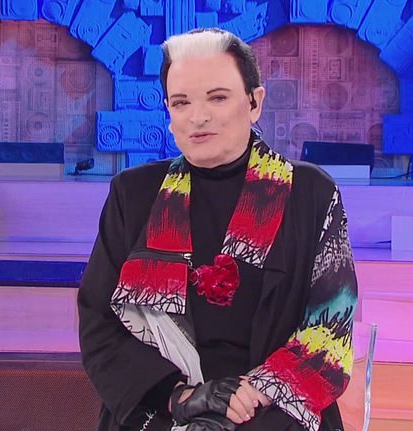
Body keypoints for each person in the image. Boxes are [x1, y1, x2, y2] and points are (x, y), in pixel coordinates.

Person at [78, 28, 358, 431]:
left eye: (217, 97)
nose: (198, 116)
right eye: (182, 102)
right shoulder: (133, 193)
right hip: (163, 410)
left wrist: (252, 396)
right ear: (169, 112)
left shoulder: (311, 193)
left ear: (254, 102)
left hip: (276, 412)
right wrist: (181, 398)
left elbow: (330, 330)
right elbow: (100, 324)